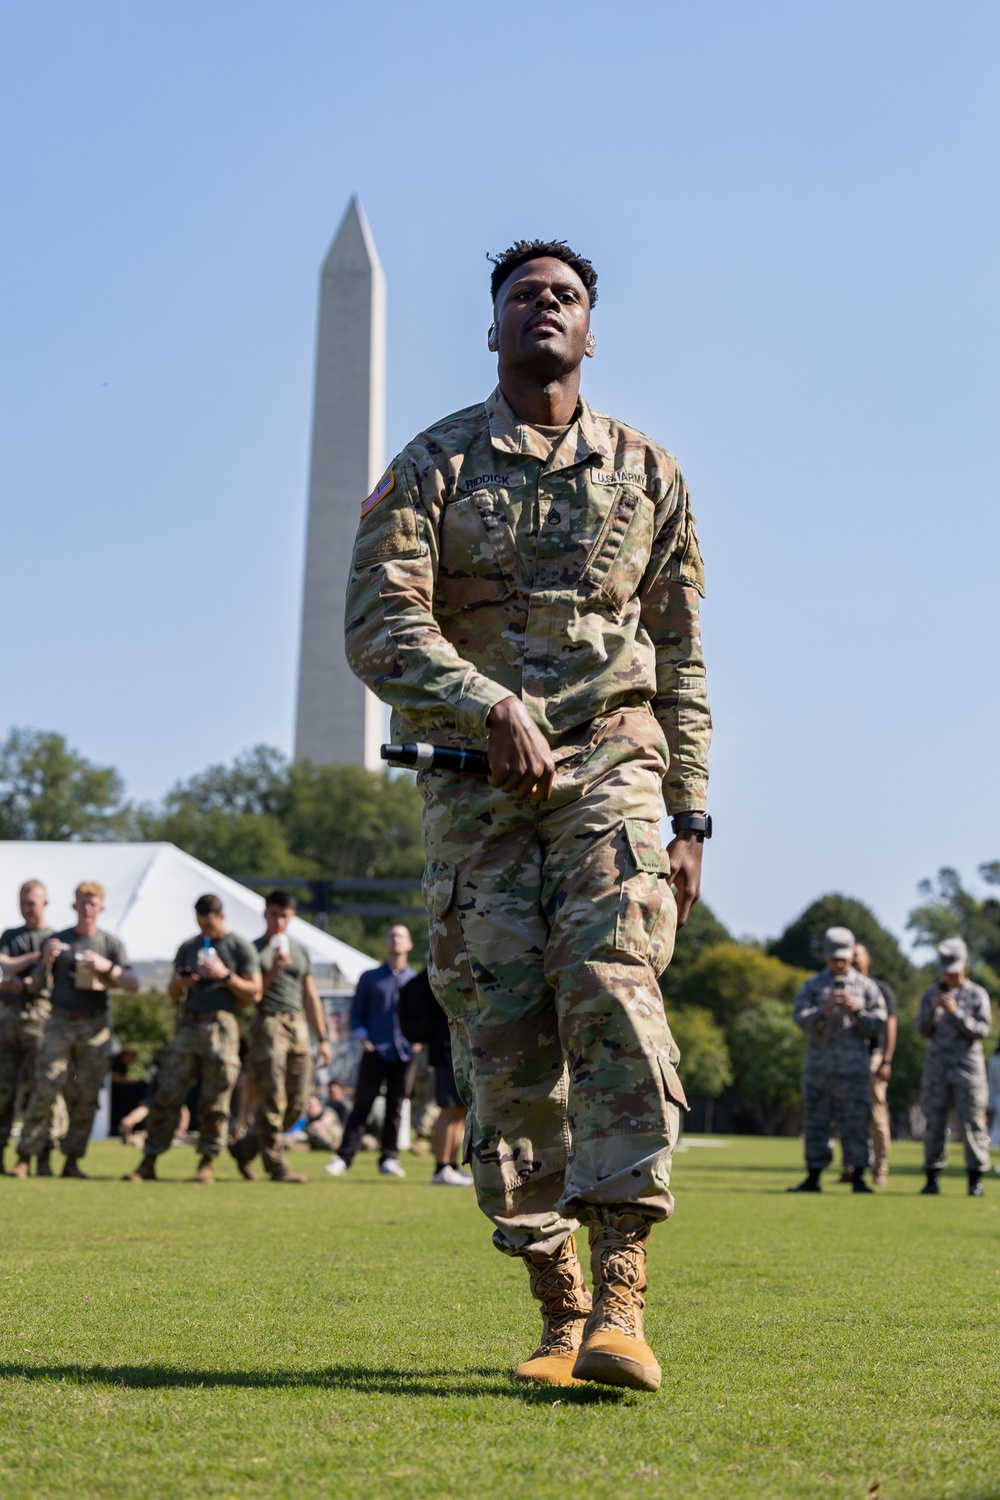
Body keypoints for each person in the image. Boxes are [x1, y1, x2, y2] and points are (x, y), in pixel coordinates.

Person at [344, 239, 712, 1392]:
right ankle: (555, 1310)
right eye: (523, 296)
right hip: (475, 788)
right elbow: (379, 627)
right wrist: (486, 699)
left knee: (613, 992)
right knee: (502, 1053)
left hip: (611, 768)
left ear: (589, 331)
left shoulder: (649, 470)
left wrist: (692, 813)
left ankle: (621, 1300)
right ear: (492, 327)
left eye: (564, 297)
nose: (544, 309)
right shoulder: (433, 464)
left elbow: (682, 653)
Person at [124, 894, 261, 1184]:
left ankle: (207, 1162)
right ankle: (149, 1160)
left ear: (221, 917)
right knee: (167, 1092)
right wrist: (183, 982)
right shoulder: (188, 947)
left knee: (216, 1098)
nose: (205, 931)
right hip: (188, 1024)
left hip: (221, 1024)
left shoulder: (239, 947)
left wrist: (224, 976)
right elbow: (172, 992)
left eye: (209, 925)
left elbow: (254, 993)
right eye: (200, 925)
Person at [13, 881, 139, 1178]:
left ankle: (72, 1159)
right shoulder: (58, 940)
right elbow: (37, 986)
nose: (87, 908)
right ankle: (25, 1156)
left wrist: (105, 967)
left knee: (85, 1097)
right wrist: (46, 960)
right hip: (60, 1022)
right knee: (45, 1089)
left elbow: (133, 984)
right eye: (82, 902)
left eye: (92, 903)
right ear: (74, 906)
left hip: (95, 1027)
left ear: (101, 908)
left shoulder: (110, 944)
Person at [229, 890, 332, 1183]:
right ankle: (276, 1166)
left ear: (292, 917)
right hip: (268, 1023)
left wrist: (322, 1038)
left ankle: (246, 1147)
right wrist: (273, 968)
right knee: (272, 1098)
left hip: (297, 1023)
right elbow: (251, 995)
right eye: (273, 914)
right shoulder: (252, 950)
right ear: (265, 913)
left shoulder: (300, 950)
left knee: (298, 1100)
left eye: (284, 916)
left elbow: (310, 996)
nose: (278, 921)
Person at [789, 926, 887, 1194]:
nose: (839, 962)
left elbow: (880, 1023)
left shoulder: (867, 987)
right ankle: (813, 1175)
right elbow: (799, 1019)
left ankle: (858, 1176)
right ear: (825, 955)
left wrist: (858, 1012)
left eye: (844, 957)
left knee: (856, 1123)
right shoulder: (813, 985)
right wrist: (824, 1009)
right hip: (819, 1069)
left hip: (854, 1069)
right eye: (834, 957)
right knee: (816, 1123)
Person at [324, 924, 417, 1179]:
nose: (396, 940)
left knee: (395, 1107)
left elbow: (424, 1016)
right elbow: (356, 1015)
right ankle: (343, 1157)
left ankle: (389, 1157)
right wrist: (364, 1038)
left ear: (409, 944)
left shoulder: (417, 980)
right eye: (391, 936)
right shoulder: (370, 978)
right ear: (385, 943)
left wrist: (419, 1040)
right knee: (362, 1104)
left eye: (401, 936)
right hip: (374, 1050)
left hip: (405, 1053)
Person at [916, 937, 991, 1196]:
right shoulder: (931, 994)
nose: (948, 975)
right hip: (936, 1069)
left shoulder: (977, 994)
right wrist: (933, 1009)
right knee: (934, 1121)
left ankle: (975, 1179)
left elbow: (982, 1029)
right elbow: (921, 1029)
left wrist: (957, 1012)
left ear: (965, 967)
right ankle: (932, 1177)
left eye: (954, 970)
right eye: (945, 970)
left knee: (972, 1123)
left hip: (967, 1068)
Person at [0, 880, 56, 1174]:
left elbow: (52, 981)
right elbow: (4, 966)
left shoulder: (56, 937)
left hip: (42, 1020)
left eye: (32, 902)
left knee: (41, 1091)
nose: (27, 908)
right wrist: (38, 956)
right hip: (7, 1018)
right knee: (3, 1090)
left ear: (45, 903)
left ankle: (40, 1156)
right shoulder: (11, 935)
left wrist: (20, 978)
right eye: (23, 902)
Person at [398, 968, 472, 1186]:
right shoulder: (437, 971)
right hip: (445, 1049)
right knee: (448, 1109)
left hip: (457, 1047)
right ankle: (441, 1168)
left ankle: (451, 1165)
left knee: (460, 1110)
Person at [845, 941, 897, 1186]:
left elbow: (890, 1026)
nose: (853, 959)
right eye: (849, 955)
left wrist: (886, 1060)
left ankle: (880, 1167)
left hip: (872, 1056)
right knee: (848, 1115)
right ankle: (853, 1166)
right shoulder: (840, 987)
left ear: (868, 959)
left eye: (857, 955)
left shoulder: (881, 989)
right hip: (846, 1057)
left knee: (876, 1115)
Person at [988, 1041, 1000, 1153]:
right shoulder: (995, 1059)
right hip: (997, 1094)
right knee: (997, 1120)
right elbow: (991, 1080)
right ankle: (995, 1142)